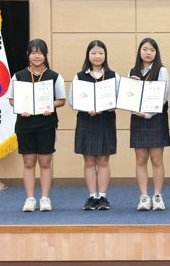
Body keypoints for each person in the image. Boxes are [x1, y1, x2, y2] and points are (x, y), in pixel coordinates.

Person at [7, 39, 66, 212]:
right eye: (33, 52)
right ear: (28, 55)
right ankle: (30, 199)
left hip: (47, 124)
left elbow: (61, 100)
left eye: (40, 53)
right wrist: (21, 108)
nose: (37, 56)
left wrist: (50, 106)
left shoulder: (55, 77)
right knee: (28, 162)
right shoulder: (18, 76)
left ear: (45, 55)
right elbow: (12, 100)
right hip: (25, 124)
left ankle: (45, 198)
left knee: (45, 162)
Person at [68, 40, 119, 211]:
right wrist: (86, 108)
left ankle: (102, 196)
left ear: (105, 55)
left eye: (101, 53)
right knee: (89, 160)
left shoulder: (113, 76)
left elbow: (118, 99)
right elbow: (72, 100)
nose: (97, 56)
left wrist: (104, 107)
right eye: (94, 53)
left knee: (104, 160)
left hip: (105, 120)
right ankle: (91, 197)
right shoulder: (79, 76)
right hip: (86, 120)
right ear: (88, 55)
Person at [129, 38, 170, 211]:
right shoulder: (132, 71)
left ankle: (158, 195)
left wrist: (148, 113)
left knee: (156, 159)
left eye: (152, 50)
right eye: (145, 49)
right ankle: (144, 196)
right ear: (139, 51)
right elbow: (129, 95)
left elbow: (163, 96)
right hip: (137, 119)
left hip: (155, 118)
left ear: (156, 53)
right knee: (140, 159)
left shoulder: (162, 70)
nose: (148, 52)